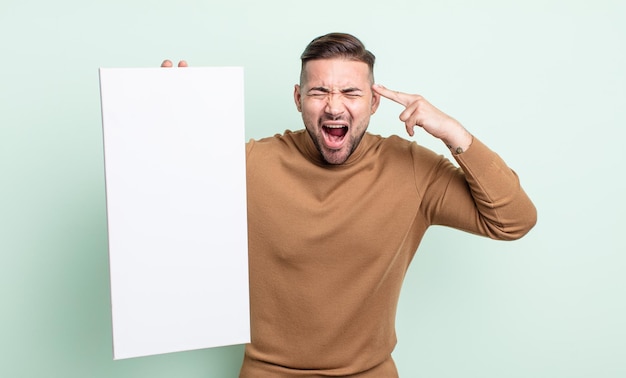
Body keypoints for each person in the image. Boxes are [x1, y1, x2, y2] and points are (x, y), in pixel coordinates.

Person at [162, 32, 537, 377]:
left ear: (374, 102)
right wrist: (164, 119)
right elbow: (164, 210)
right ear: (298, 98)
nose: (334, 107)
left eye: (351, 93)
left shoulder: (411, 168)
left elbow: (512, 221)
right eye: (319, 91)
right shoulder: (249, 164)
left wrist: (452, 133)